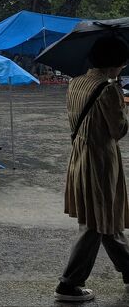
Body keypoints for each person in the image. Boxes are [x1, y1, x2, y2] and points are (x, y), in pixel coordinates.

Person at [55, 36, 129, 302]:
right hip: (100, 160)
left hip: (80, 156)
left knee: (104, 217)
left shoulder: (76, 82)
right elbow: (118, 130)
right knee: (96, 222)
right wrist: (120, 102)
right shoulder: (108, 90)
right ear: (115, 63)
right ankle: (68, 283)